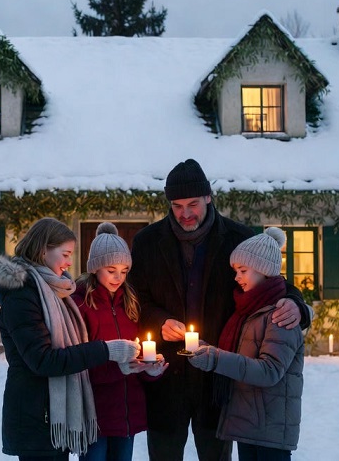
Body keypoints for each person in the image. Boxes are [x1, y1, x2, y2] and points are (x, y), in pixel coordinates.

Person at [127, 158, 311, 461]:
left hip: (218, 381)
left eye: (193, 204)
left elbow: (274, 283)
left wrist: (298, 306)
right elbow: (137, 299)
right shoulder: (147, 242)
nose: (186, 213)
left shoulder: (239, 238)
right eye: (177, 206)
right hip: (166, 379)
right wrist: (160, 321)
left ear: (208, 197)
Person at [0, 217, 141, 461]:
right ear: (43, 249)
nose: (70, 262)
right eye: (66, 254)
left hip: (54, 415)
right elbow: (44, 360)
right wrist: (106, 350)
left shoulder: (53, 290)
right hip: (35, 418)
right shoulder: (22, 295)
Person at [188, 228, 304, 461]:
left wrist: (216, 358)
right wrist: (205, 348)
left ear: (264, 270)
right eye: (235, 271)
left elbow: (269, 371)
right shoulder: (247, 312)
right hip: (249, 424)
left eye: (243, 270)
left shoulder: (281, 315)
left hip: (269, 429)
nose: (236, 277)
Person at [71, 222, 168, 461]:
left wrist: (148, 368)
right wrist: (119, 367)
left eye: (124, 271)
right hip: (94, 414)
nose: (118, 277)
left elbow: (135, 354)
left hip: (126, 414)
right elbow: (76, 361)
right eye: (111, 269)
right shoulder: (80, 303)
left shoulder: (130, 302)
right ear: (95, 268)